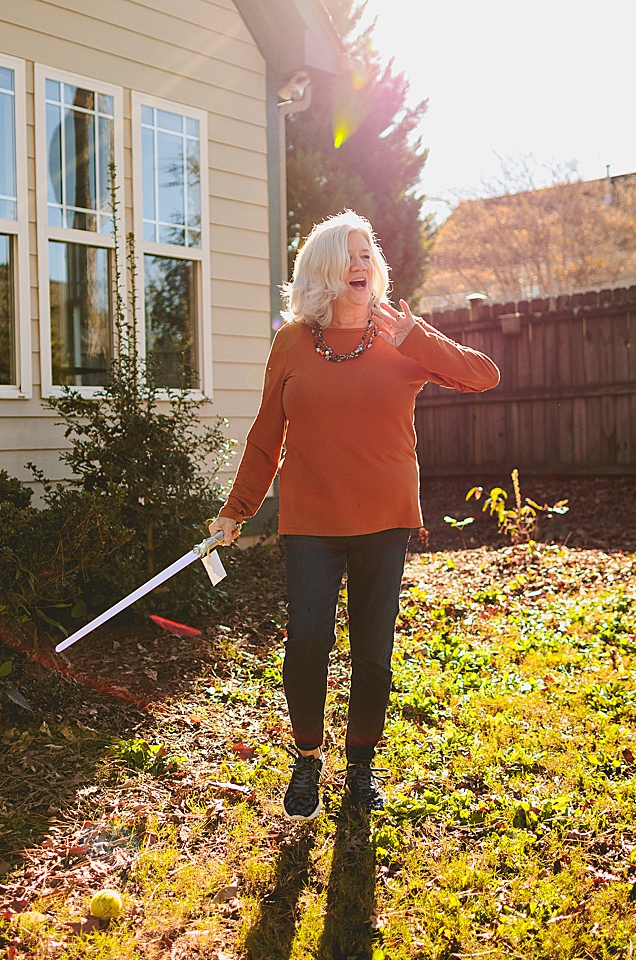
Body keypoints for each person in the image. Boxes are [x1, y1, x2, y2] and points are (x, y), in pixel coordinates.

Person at [208, 210, 499, 819]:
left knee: (372, 649)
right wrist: (237, 510)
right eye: (350, 253)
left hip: (385, 519)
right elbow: (268, 434)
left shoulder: (399, 334)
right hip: (311, 519)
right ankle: (308, 759)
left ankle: (362, 768)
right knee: (308, 643)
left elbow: (483, 376)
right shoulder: (291, 342)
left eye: (369, 253)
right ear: (322, 270)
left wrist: (416, 338)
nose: (363, 263)